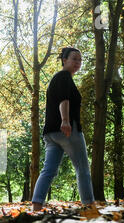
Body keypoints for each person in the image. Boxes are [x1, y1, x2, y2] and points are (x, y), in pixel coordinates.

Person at [31, 47, 95, 211]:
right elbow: (64, 100)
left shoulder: (58, 78)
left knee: (48, 170)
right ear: (64, 60)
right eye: (74, 59)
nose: (77, 63)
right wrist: (65, 120)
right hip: (66, 130)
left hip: (51, 134)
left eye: (80, 60)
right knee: (82, 168)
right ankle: (89, 205)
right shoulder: (64, 77)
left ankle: (37, 205)